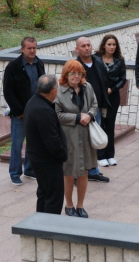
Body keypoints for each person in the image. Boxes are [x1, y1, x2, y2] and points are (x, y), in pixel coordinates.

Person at [55, 60, 98, 218]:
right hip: (69, 136)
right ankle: (69, 205)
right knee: (68, 171)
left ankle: (80, 205)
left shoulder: (88, 87)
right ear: (66, 74)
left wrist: (90, 115)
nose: (76, 76)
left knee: (84, 171)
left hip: (86, 134)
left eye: (79, 73)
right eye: (73, 73)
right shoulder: (59, 91)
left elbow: (94, 104)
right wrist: (78, 117)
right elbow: (57, 114)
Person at [3, 36, 45, 186]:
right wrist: (19, 111)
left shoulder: (39, 63)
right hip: (20, 114)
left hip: (36, 111)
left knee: (33, 142)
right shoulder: (13, 67)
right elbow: (8, 92)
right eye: (29, 48)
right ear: (22, 49)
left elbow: (43, 86)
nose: (32, 51)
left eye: (34, 48)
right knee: (17, 144)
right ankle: (15, 173)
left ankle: (29, 169)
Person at [24, 74, 68, 214]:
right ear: (53, 91)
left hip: (39, 159)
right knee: (53, 198)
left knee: (44, 194)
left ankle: (40, 228)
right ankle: (49, 230)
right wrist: (62, 155)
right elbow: (51, 140)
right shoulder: (43, 110)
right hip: (47, 162)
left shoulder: (34, 102)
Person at [75, 37, 110, 182]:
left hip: (96, 108)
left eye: (89, 45)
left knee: (93, 140)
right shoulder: (74, 65)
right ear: (77, 49)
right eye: (83, 46)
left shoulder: (98, 62)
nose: (87, 48)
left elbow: (104, 81)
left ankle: (93, 170)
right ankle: (76, 174)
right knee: (79, 142)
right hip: (80, 110)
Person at [94, 34, 126, 167]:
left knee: (110, 125)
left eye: (114, 45)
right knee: (100, 125)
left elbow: (122, 79)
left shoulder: (119, 60)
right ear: (104, 45)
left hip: (112, 96)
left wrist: (112, 89)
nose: (112, 47)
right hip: (99, 97)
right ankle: (100, 155)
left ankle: (110, 155)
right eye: (109, 44)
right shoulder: (96, 58)